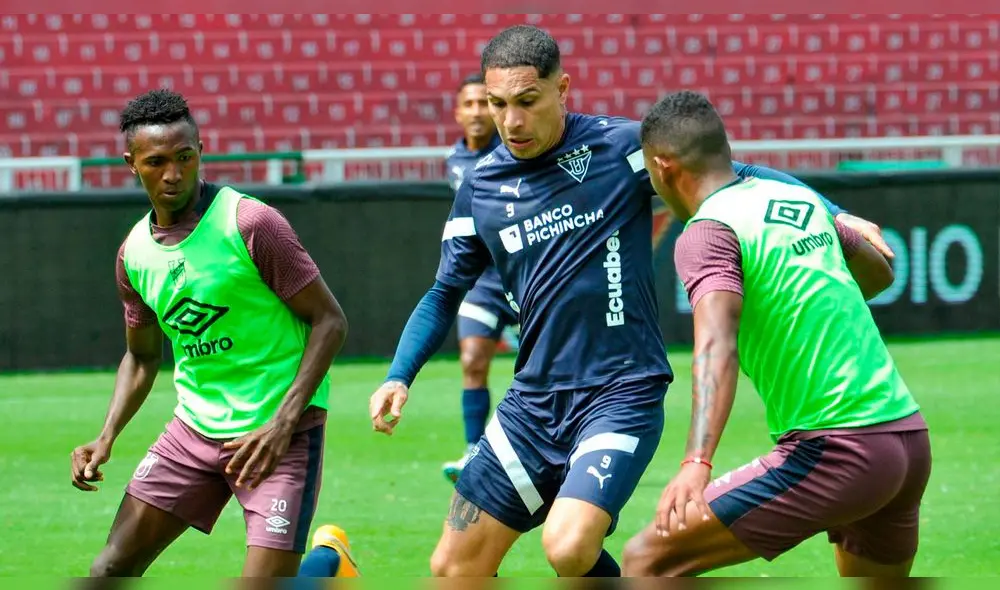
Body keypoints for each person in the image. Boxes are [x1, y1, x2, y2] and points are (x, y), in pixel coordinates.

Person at [368, 25, 891, 578]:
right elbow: (445, 289)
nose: (511, 121)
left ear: (562, 89)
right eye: (498, 104)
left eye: (527, 101)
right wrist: (400, 375)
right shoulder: (480, 185)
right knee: (452, 571)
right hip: (533, 404)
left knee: (568, 547)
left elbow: (736, 175)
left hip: (621, 391)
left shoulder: (619, 150)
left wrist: (836, 213)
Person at [621, 91, 931, 577]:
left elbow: (715, 344)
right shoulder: (798, 197)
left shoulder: (707, 232)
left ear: (662, 167)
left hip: (837, 450)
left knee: (646, 561)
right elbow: (880, 271)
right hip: (907, 440)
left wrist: (696, 462)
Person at [69, 89, 352, 577]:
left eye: (185, 157)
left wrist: (283, 424)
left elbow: (330, 321)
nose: (174, 174)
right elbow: (141, 358)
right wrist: (106, 436)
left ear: (201, 150)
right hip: (191, 434)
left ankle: (328, 564)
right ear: (131, 164)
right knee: (105, 575)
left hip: (277, 435)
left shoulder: (251, 223)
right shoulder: (133, 254)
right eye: (156, 162)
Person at [441, 73, 518, 484]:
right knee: (471, 360)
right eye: (467, 104)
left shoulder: (512, 153)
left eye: (482, 103)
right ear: (457, 112)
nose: (476, 111)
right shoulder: (454, 161)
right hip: (483, 283)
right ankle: (473, 450)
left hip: (525, 276)